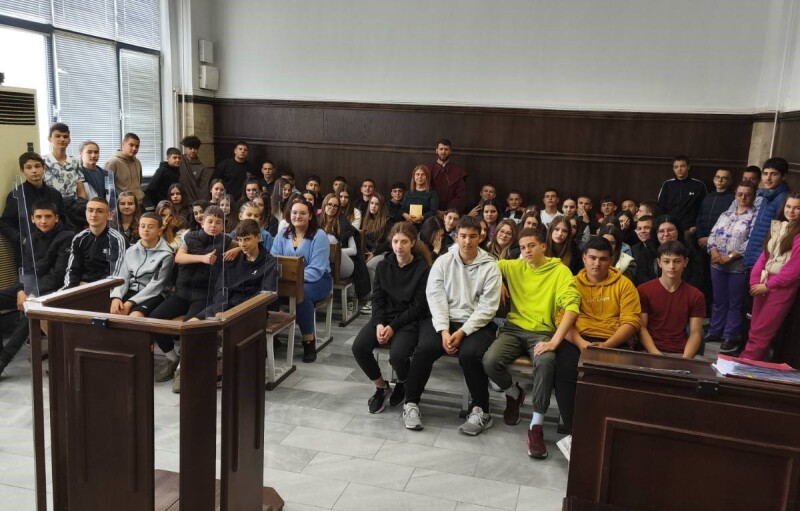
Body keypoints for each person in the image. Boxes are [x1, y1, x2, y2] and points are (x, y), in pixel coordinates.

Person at [482, 226, 579, 458]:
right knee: (489, 361)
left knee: (545, 363)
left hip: (543, 332)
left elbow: (572, 307)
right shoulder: (514, 266)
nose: (526, 251)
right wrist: (498, 280)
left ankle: (536, 425)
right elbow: (485, 262)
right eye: (523, 247)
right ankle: (514, 393)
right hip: (514, 329)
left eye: (531, 246)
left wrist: (555, 342)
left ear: (543, 246)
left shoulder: (560, 271)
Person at [402, 216, 501, 434]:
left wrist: (463, 332)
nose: (467, 241)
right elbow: (435, 297)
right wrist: (444, 330)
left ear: (480, 237)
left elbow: (488, 307)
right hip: (443, 320)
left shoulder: (490, 266)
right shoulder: (443, 262)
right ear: (456, 236)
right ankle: (411, 403)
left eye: (472, 236)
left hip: (476, 323)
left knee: (470, 354)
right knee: (425, 348)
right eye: (463, 236)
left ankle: (481, 410)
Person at [552, 237, 641, 435]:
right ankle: (574, 430)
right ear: (584, 258)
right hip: (577, 338)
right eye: (592, 258)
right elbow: (561, 319)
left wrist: (607, 345)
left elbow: (631, 322)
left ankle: (605, 431)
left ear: (611, 260)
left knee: (617, 379)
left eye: (603, 259)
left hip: (613, 341)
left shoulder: (624, 285)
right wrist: (581, 343)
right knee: (565, 372)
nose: (597, 263)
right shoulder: (572, 283)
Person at [352, 222, 432, 413]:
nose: (399, 246)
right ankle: (382, 387)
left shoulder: (422, 269)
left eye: (404, 242)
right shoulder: (383, 265)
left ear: (412, 243)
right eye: (395, 241)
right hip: (384, 317)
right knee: (359, 347)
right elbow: (378, 299)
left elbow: (418, 306)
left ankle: (403, 382)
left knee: (398, 356)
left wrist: (393, 327)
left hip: (407, 320)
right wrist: (380, 323)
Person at [148, 206, 230, 385]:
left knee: (189, 327)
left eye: (218, 223)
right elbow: (179, 258)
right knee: (154, 319)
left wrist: (236, 250)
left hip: (203, 296)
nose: (213, 225)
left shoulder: (226, 241)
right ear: (202, 222)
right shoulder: (190, 237)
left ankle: (181, 370)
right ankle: (172, 358)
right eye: (210, 221)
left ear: (223, 226)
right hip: (182, 293)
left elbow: (243, 245)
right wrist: (203, 258)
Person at [0, 201, 74, 376]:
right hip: (30, 288)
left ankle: (3, 359)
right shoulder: (31, 238)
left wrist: (32, 293)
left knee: (31, 310)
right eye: (39, 217)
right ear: (32, 219)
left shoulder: (67, 237)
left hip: (55, 290)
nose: (43, 221)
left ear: (56, 218)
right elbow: (24, 269)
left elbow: (58, 275)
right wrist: (20, 290)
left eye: (48, 216)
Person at [270, 198, 332, 363]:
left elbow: (316, 269)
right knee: (267, 295)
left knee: (301, 295)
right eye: (294, 212)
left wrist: (293, 281)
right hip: (287, 280)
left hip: (318, 280)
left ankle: (308, 341)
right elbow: (274, 260)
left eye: (303, 213)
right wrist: (286, 281)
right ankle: (272, 337)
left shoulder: (319, 236)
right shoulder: (282, 234)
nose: (298, 216)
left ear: (310, 216)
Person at [740, 193, 800, 361]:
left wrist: (768, 285)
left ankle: (745, 363)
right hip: (763, 281)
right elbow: (764, 256)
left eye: (797, 208)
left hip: (780, 287)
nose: (791, 211)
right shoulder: (780, 227)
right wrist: (755, 281)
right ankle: (750, 363)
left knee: (762, 331)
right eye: (788, 206)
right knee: (754, 328)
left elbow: (793, 270)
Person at [706, 181, 757, 350]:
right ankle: (715, 330)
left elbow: (752, 241)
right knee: (719, 300)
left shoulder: (755, 215)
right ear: (735, 195)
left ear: (753, 196)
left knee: (735, 303)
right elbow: (713, 234)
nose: (743, 198)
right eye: (740, 194)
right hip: (717, 264)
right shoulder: (725, 214)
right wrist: (714, 251)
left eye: (748, 195)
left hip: (738, 266)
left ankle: (730, 335)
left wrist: (729, 257)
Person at [196, 219, 278, 319]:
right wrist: (219, 310)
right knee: (192, 323)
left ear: (258, 237)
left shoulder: (269, 263)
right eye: (239, 240)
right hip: (224, 306)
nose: (242, 244)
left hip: (249, 312)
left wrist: (233, 312)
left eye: (247, 239)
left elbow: (265, 295)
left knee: (211, 326)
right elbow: (221, 287)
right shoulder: (233, 257)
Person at [637, 241, 705, 358]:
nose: (672, 266)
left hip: (681, 353)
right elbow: (641, 328)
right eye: (666, 261)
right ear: (659, 263)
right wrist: (656, 354)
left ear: (685, 262)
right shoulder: (643, 290)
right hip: (649, 351)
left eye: (677, 261)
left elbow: (695, 333)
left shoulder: (696, 295)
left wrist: (685, 359)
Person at [109, 213, 174, 318]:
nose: (146, 230)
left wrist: (130, 303)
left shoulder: (166, 255)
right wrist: (116, 297)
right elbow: (123, 278)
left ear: (159, 231)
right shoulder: (130, 251)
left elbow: (156, 286)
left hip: (153, 295)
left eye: (151, 227)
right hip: (130, 291)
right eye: (142, 226)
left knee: (135, 317)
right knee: (108, 312)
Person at [0, 152, 66, 251]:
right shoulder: (16, 196)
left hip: (54, 247)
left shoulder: (55, 194)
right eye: (28, 167)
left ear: (43, 168)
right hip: (29, 250)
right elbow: (5, 224)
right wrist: (23, 240)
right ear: (22, 170)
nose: (34, 170)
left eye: (37, 166)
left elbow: (63, 219)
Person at [63, 197, 126, 288]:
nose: (94, 214)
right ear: (86, 213)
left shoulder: (117, 239)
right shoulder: (79, 238)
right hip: (80, 286)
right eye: (90, 210)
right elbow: (73, 270)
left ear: (108, 215)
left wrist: (90, 287)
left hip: (106, 289)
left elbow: (115, 273)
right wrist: (69, 290)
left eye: (100, 211)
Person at [744, 158, 791, 269]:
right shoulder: (767, 194)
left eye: (774, 174)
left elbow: (780, 236)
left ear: (783, 176)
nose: (768, 178)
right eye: (765, 173)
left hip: (766, 258)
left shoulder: (783, 198)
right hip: (754, 254)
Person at [657, 155, 707, 232]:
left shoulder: (699, 185)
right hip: (670, 226)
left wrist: (696, 226)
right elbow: (661, 206)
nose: (679, 169)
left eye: (682, 166)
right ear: (673, 169)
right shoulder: (667, 184)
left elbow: (704, 208)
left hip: (689, 228)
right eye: (676, 167)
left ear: (688, 167)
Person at [43, 122, 86, 201]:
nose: (62, 139)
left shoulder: (75, 161)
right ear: (49, 139)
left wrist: (82, 204)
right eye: (58, 136)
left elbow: (81, 189)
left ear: (69, 140)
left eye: (65, 136)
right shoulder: (42, 161)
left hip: (72, 205)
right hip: (50, 205)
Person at [428, 139, 467, 215]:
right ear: (436, 150)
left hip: (451, 215)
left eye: (446, 149)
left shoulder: (458, 171)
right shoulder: (427, 170)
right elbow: (424, 192)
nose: (443, 152)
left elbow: (460, 195)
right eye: (441, 149)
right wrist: (434, 210)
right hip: (430, 213)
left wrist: (448, 212)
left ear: (450, 151)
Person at [105, 133, 144, 203]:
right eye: (131, 145)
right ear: (123, 144)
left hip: (139, 202)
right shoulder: (113, 162)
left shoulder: (137, 162)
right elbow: (107, 188)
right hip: (123, 204)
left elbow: (139, 183)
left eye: (137, 146)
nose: (134, 148)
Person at [178, 135, 213, 203]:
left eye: (196, 148)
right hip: (179, 200)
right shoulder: (179, 161)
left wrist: (201, 204)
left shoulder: (202, 168)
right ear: (185, 148)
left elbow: (204, 190)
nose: (193, 151)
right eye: (190, 148)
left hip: (195, 202)